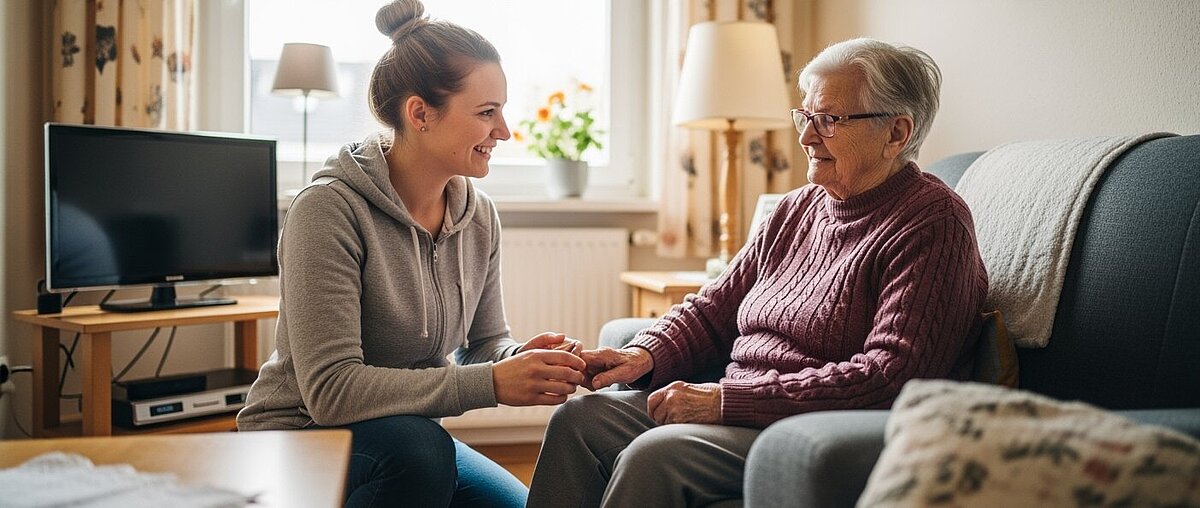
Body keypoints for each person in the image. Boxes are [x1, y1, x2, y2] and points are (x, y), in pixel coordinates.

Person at [527, 37, 989, 507]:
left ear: (896, 133)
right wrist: (642, 354)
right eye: (806, 116)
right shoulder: (795, 209)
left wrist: (725, 402)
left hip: (800, 424)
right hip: (738, 402)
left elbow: (890, 377)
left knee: (655, 455)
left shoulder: (933, 223)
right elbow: (713, 310)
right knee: (580, 420)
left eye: (829, 120)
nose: (807, 137)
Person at [236, 1, 587, 506]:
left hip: (408, 436)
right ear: (420, 113)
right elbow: (331, 391)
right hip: (301, 434)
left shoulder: (478, 215)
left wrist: (526, 361)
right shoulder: (327, 210)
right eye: (486, 112)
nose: (504, 131)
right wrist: (491, 383)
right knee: (420, 454)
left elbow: (485, 342)